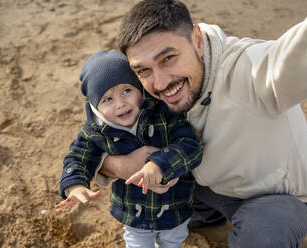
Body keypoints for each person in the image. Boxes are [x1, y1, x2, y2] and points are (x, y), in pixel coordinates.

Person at [95, 0, 307, 247]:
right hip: (204, 188)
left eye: (168, 58)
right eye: (143, 70)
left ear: (198, 41)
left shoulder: (252, 70)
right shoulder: (145, 88)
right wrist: (118, 165)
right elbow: (95, 136)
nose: (159, 83)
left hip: (270, 200)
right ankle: (206, 216)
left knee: (264, 233)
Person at [56, 49, 203, 248]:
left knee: (172, 241)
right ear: (95, 107)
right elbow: (78, 156)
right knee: (136, 244)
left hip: (175, 206)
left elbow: (190, 146)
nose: (121, 104)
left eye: (127, 91)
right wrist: (75, 185)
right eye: (107, 99)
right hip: (133, 212)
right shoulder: (96, 131)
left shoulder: (163, 113)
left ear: (139, 88)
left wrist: (160, 164)